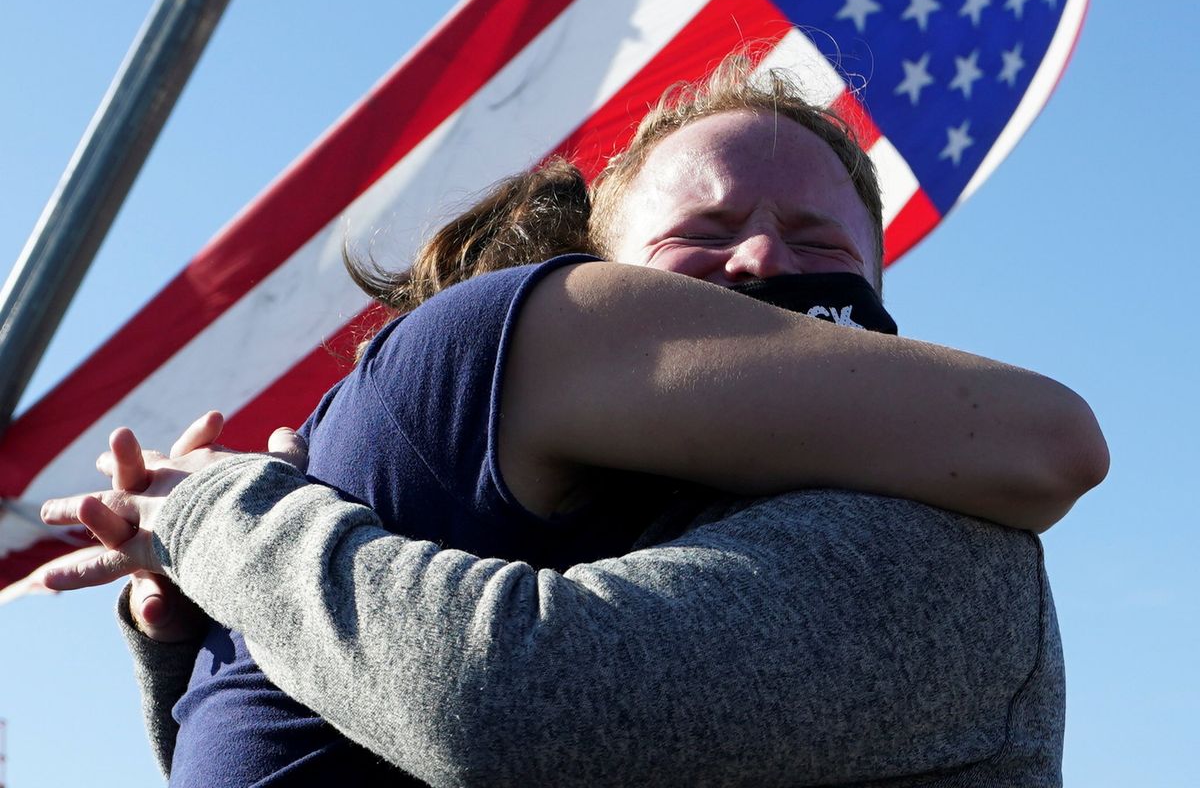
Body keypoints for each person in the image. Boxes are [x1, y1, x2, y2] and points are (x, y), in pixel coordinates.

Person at [42, 60, 1107, 786]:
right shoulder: (527, 517)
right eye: (708, 228)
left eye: (816, 235)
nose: (764, 258)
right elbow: (316, 737)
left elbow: (503, 700)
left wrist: (232, 519)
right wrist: (192, 628)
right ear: (598, 287)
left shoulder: (941, 554)